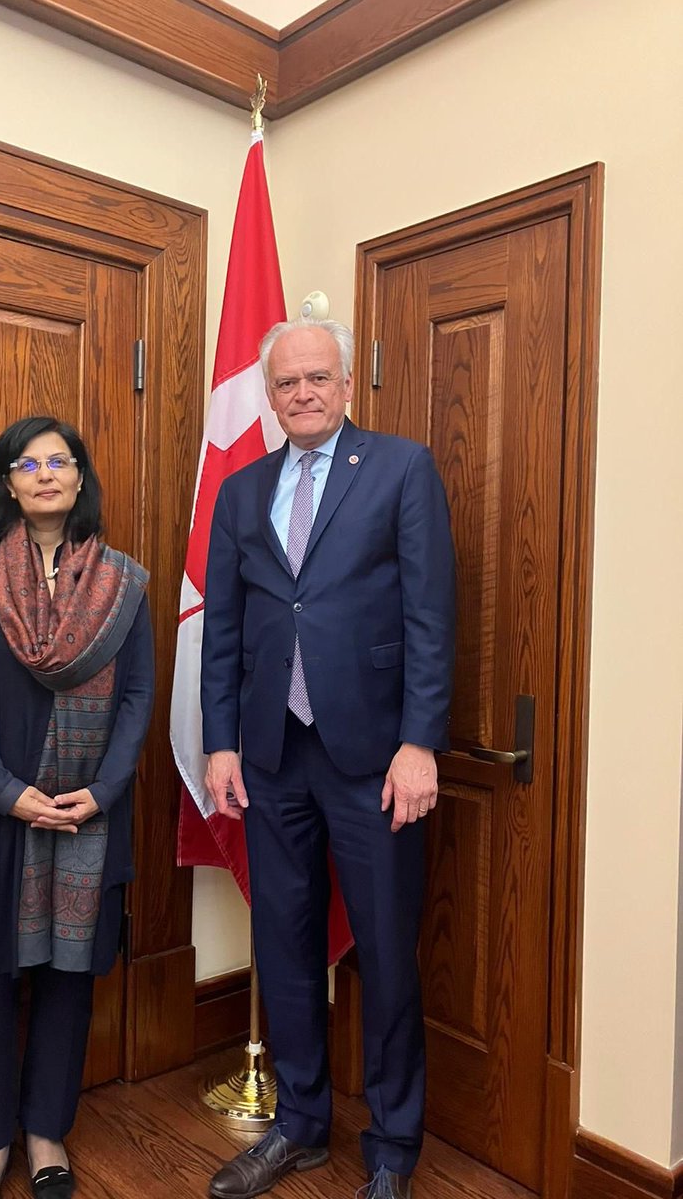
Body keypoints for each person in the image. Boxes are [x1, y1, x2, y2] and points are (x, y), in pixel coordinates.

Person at [201, 319, 455, 1199]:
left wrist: (419, 741)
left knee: (385, 950)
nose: (302, 393)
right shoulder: (241, 492)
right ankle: (301, 1125)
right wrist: (221, 741)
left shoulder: (400, 468)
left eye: (318, 378)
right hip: (271, 755)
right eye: (286, 383)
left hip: (374, 756)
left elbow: (430, 615)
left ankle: (391, 1149)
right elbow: (226, 630)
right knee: (284, 942)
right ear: (267, 397)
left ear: (347, 384)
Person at [0, 416, 154, 1199]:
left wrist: (107, 789)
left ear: (80, 478)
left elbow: (140, 696)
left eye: (61, 461)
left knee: (68, 976)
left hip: (84, 814)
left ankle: (46, 1131)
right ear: (8, 482)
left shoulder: (121, 582)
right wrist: (8, 793)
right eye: (29, 463)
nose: (45, 474)